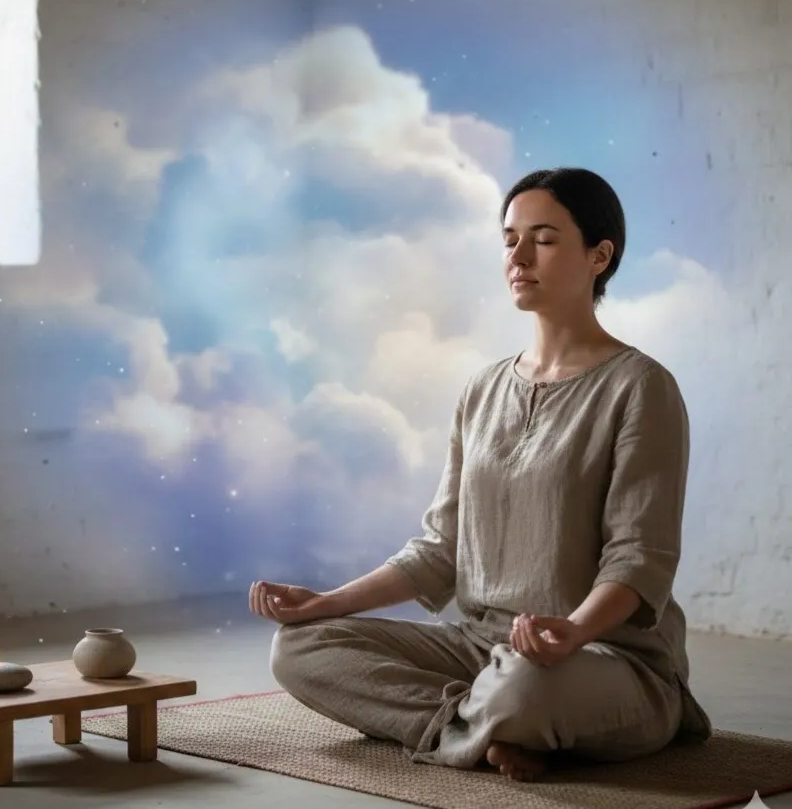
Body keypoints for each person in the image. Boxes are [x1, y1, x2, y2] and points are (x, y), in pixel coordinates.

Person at [248, 167, 713, 783]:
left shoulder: (641, 387)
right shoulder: (482, 389)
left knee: (524, 687)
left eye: (543, 239)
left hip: (602, 656)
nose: (519, 256)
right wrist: (327, 602)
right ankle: (485, 728)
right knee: (300, 647)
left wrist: (572, 632)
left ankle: (502, 718)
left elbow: (639, 559)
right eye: (509, 239)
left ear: (599, 256)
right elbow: (439, 549)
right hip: (480, 649)